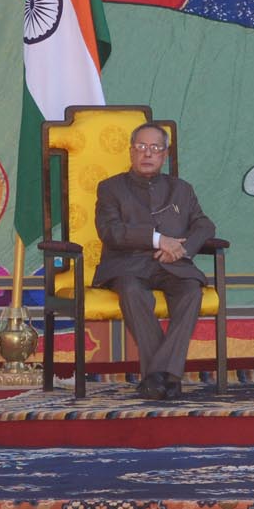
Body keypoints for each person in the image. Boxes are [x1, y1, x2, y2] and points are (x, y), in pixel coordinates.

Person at [93, 122, 216, 401]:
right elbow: (111, 232)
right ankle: (167, 377)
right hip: (128, 265)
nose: (147, 153)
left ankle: (156, 377)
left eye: (155, 148)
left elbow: (205, 226)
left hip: (172, 264)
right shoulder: (111, 188)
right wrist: (159, 240)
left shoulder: (181, 189)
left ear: (164, 155)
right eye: (141, 147)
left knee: (190, 291)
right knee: (133, 292)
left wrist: (182, 250)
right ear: (131, 152)